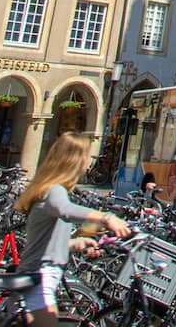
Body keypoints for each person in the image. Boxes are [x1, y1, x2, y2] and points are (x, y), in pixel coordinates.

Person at [14, 133, 133, 327]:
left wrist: (75, 243)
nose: (89, 161)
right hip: (39, 279)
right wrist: (107, 217)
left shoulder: (51, 190)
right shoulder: (54, 190)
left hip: (40, 277)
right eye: (87, 154)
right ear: (76, 159)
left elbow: (44, 243)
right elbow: (66, 211)